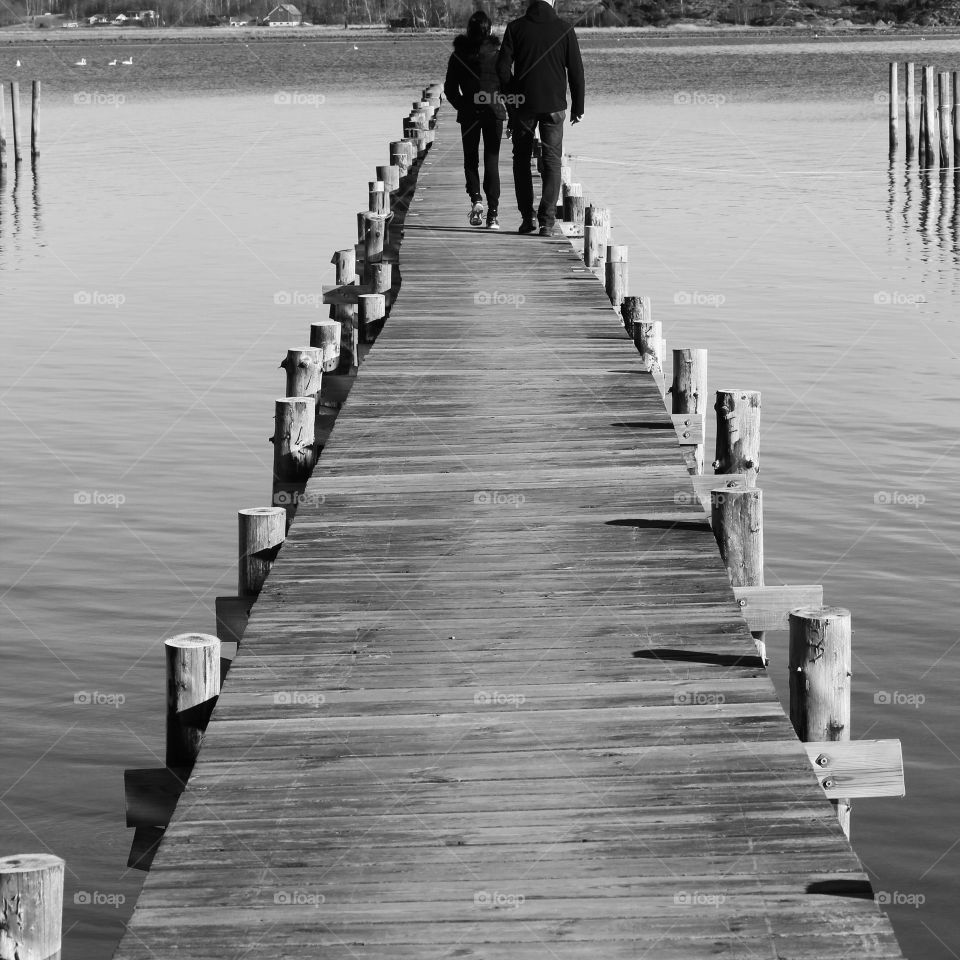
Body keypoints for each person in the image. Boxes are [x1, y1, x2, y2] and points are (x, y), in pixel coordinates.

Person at [496, 0, 584, 236]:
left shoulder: (515, 28)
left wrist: (512, 96)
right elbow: (576, 70)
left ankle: (528, 218)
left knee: (521, 159)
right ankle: (546, 222)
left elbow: (502, 69)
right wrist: (578, 107)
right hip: (554, 105)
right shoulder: (564, 28)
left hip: (523, 105)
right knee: (552, 161)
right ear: (552, 1)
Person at [443, 11, 507, 230]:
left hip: (469, 112)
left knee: (470, 159)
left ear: (469, 31)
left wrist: (462, 105)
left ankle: (476, 198)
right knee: (492, 161)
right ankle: (493, 215)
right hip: (494, 111)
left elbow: (450, 89)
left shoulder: (458, 56)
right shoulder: (498, 55)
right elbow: (507, 85)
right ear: (489, 30)